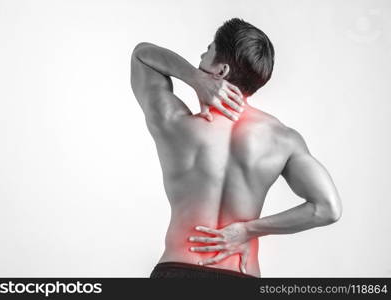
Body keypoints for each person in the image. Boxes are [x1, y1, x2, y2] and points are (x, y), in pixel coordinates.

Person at [130, 18, 342, 278]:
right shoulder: (282, 139)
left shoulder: (175, 123)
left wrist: (194, 78)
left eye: (208, 50)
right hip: (241, 277)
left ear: (221, 70)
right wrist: (247, 230)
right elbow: (327, 208)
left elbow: (142, 55)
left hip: (179, 270)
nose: (200, 55)